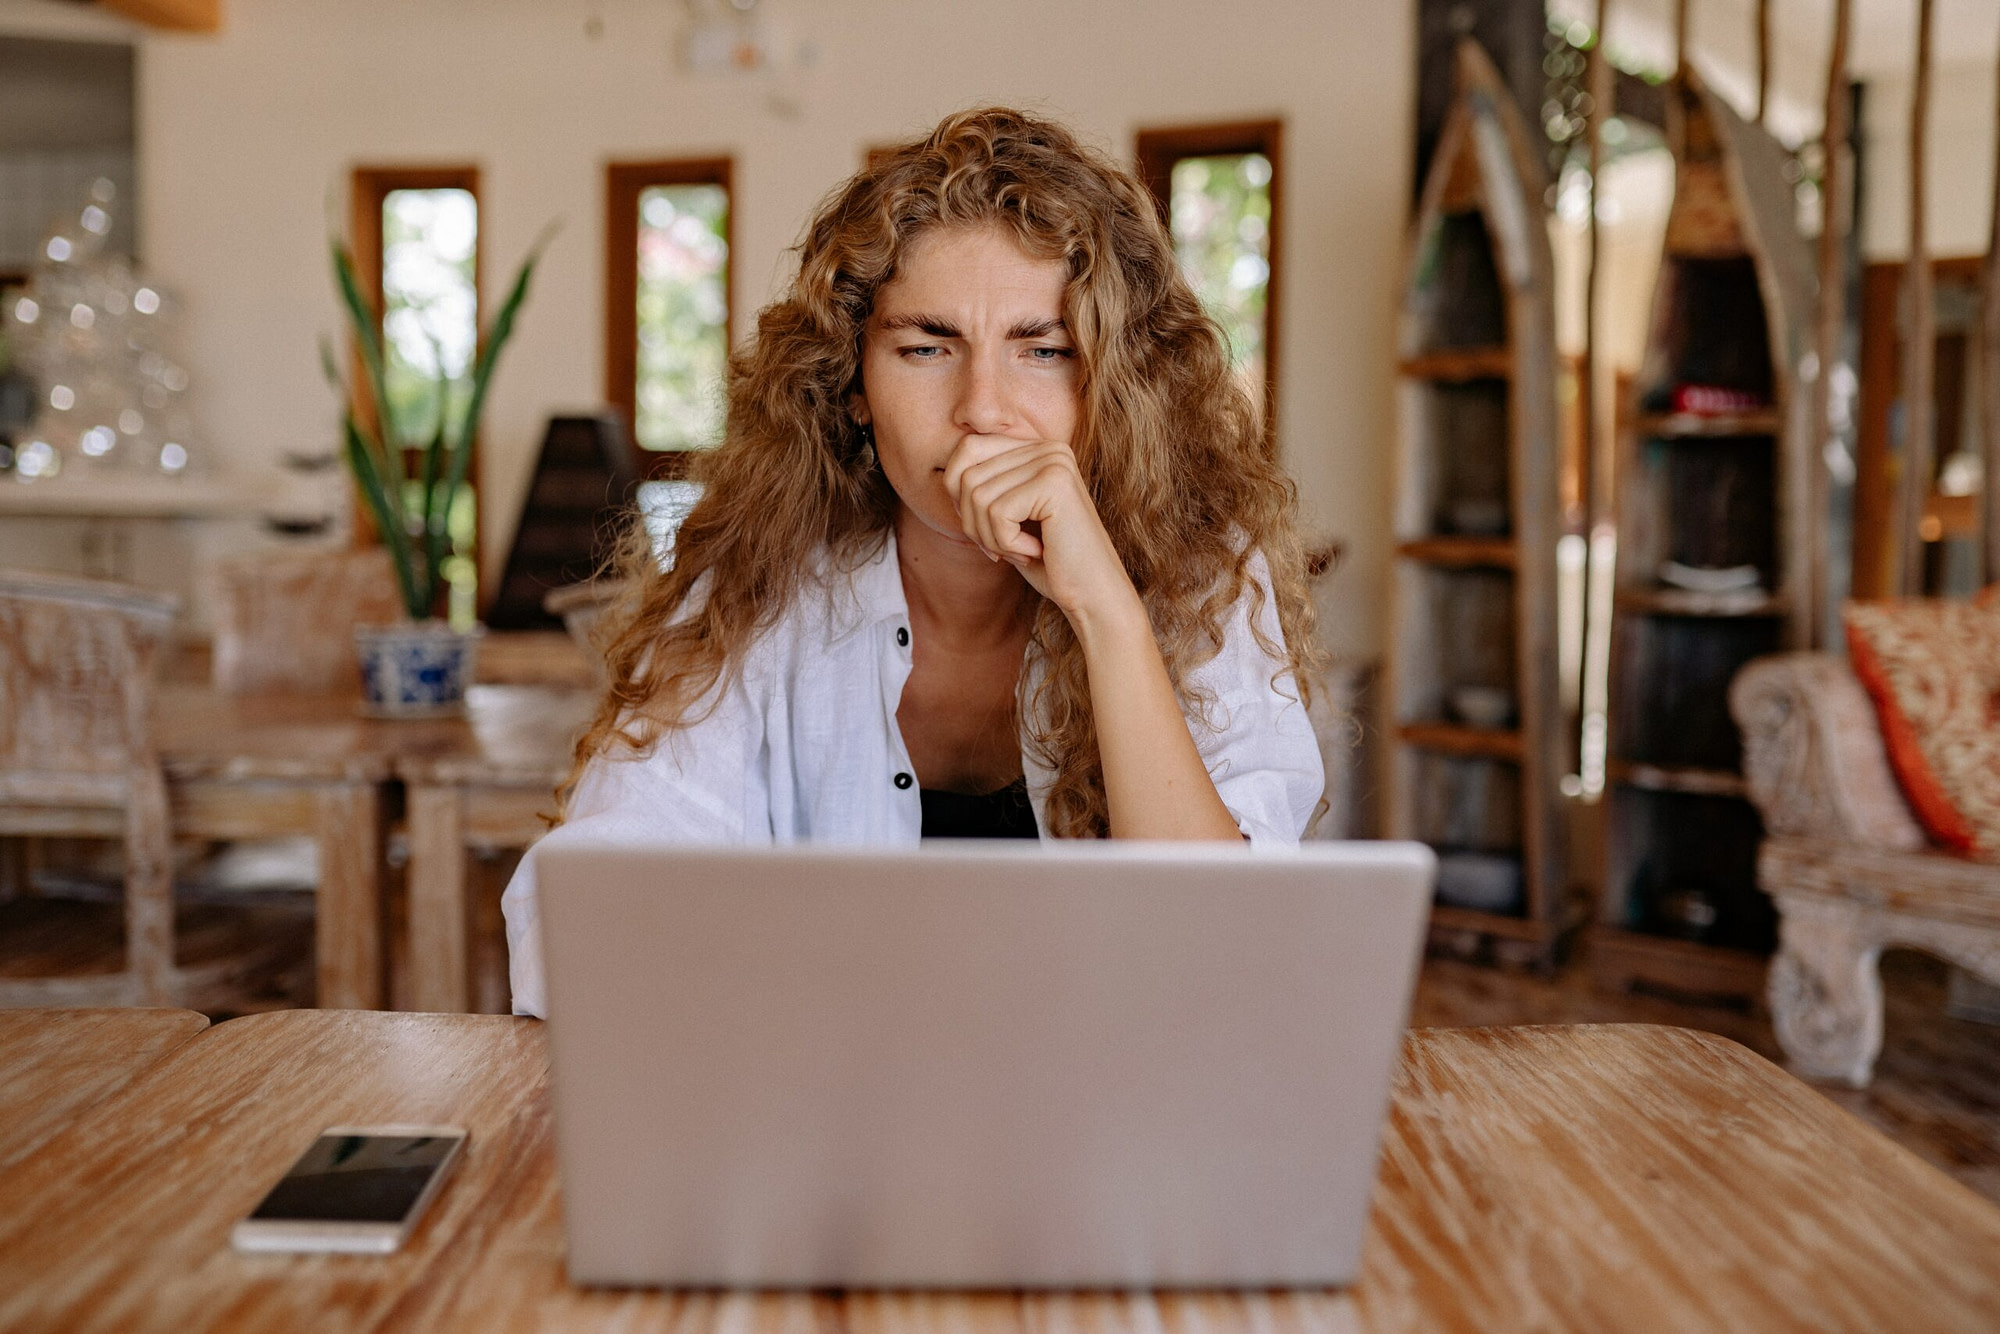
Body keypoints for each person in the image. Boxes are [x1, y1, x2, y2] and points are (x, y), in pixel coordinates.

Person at [502, 106, 1324, 1017]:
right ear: (853, 384)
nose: (983, 409)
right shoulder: (754, 581)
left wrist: (1108, 616)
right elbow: (572, 923)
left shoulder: (1205, 575)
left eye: (1044, 351)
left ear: (1116, 388)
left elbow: (1231, 968)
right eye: (926, 348)